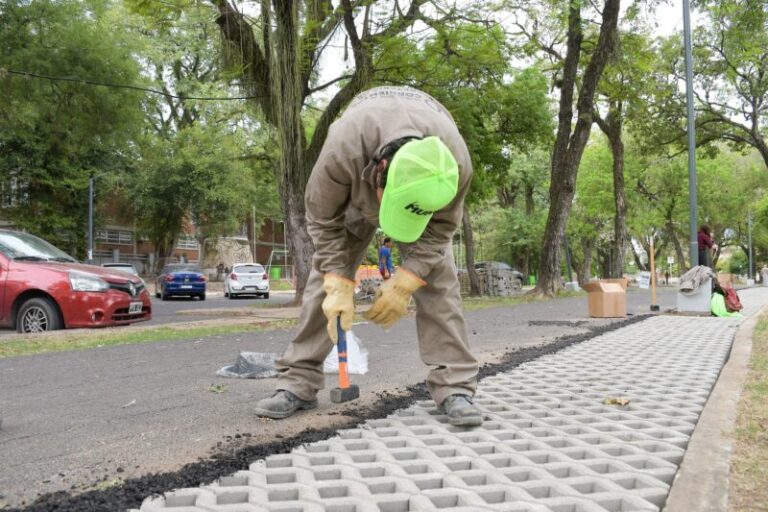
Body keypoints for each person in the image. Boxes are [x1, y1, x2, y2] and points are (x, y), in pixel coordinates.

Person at [254, 86, 482, 427]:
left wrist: (407, 281)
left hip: (420, 200)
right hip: (355, 189)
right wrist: (336, 280)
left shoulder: (454, 164)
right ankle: (297, 382)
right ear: (382, 169)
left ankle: (455, 387)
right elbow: (321, 219)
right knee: (326, 283)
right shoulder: (342, 151)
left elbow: (441, 231)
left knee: (439, 279)